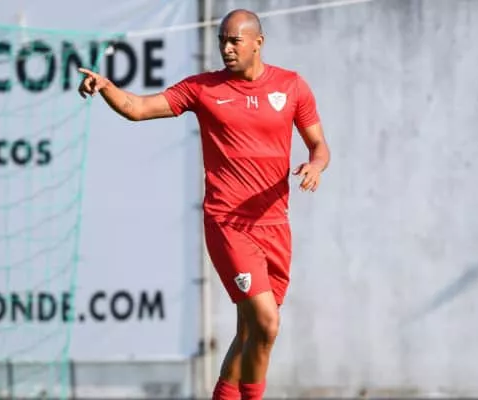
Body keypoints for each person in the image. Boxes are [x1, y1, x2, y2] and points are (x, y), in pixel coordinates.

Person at [77, 8, 330, 400]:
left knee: (248, 332)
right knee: (266, 324)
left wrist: (315, 165)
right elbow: (138, 109)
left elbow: (319, 146)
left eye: (234, 41)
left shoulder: (292, 86)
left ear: (258, 43)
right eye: (221, 41)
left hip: (275, 225)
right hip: (229, 225)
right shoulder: (203, 89)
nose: (226, 49)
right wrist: (108, 87)